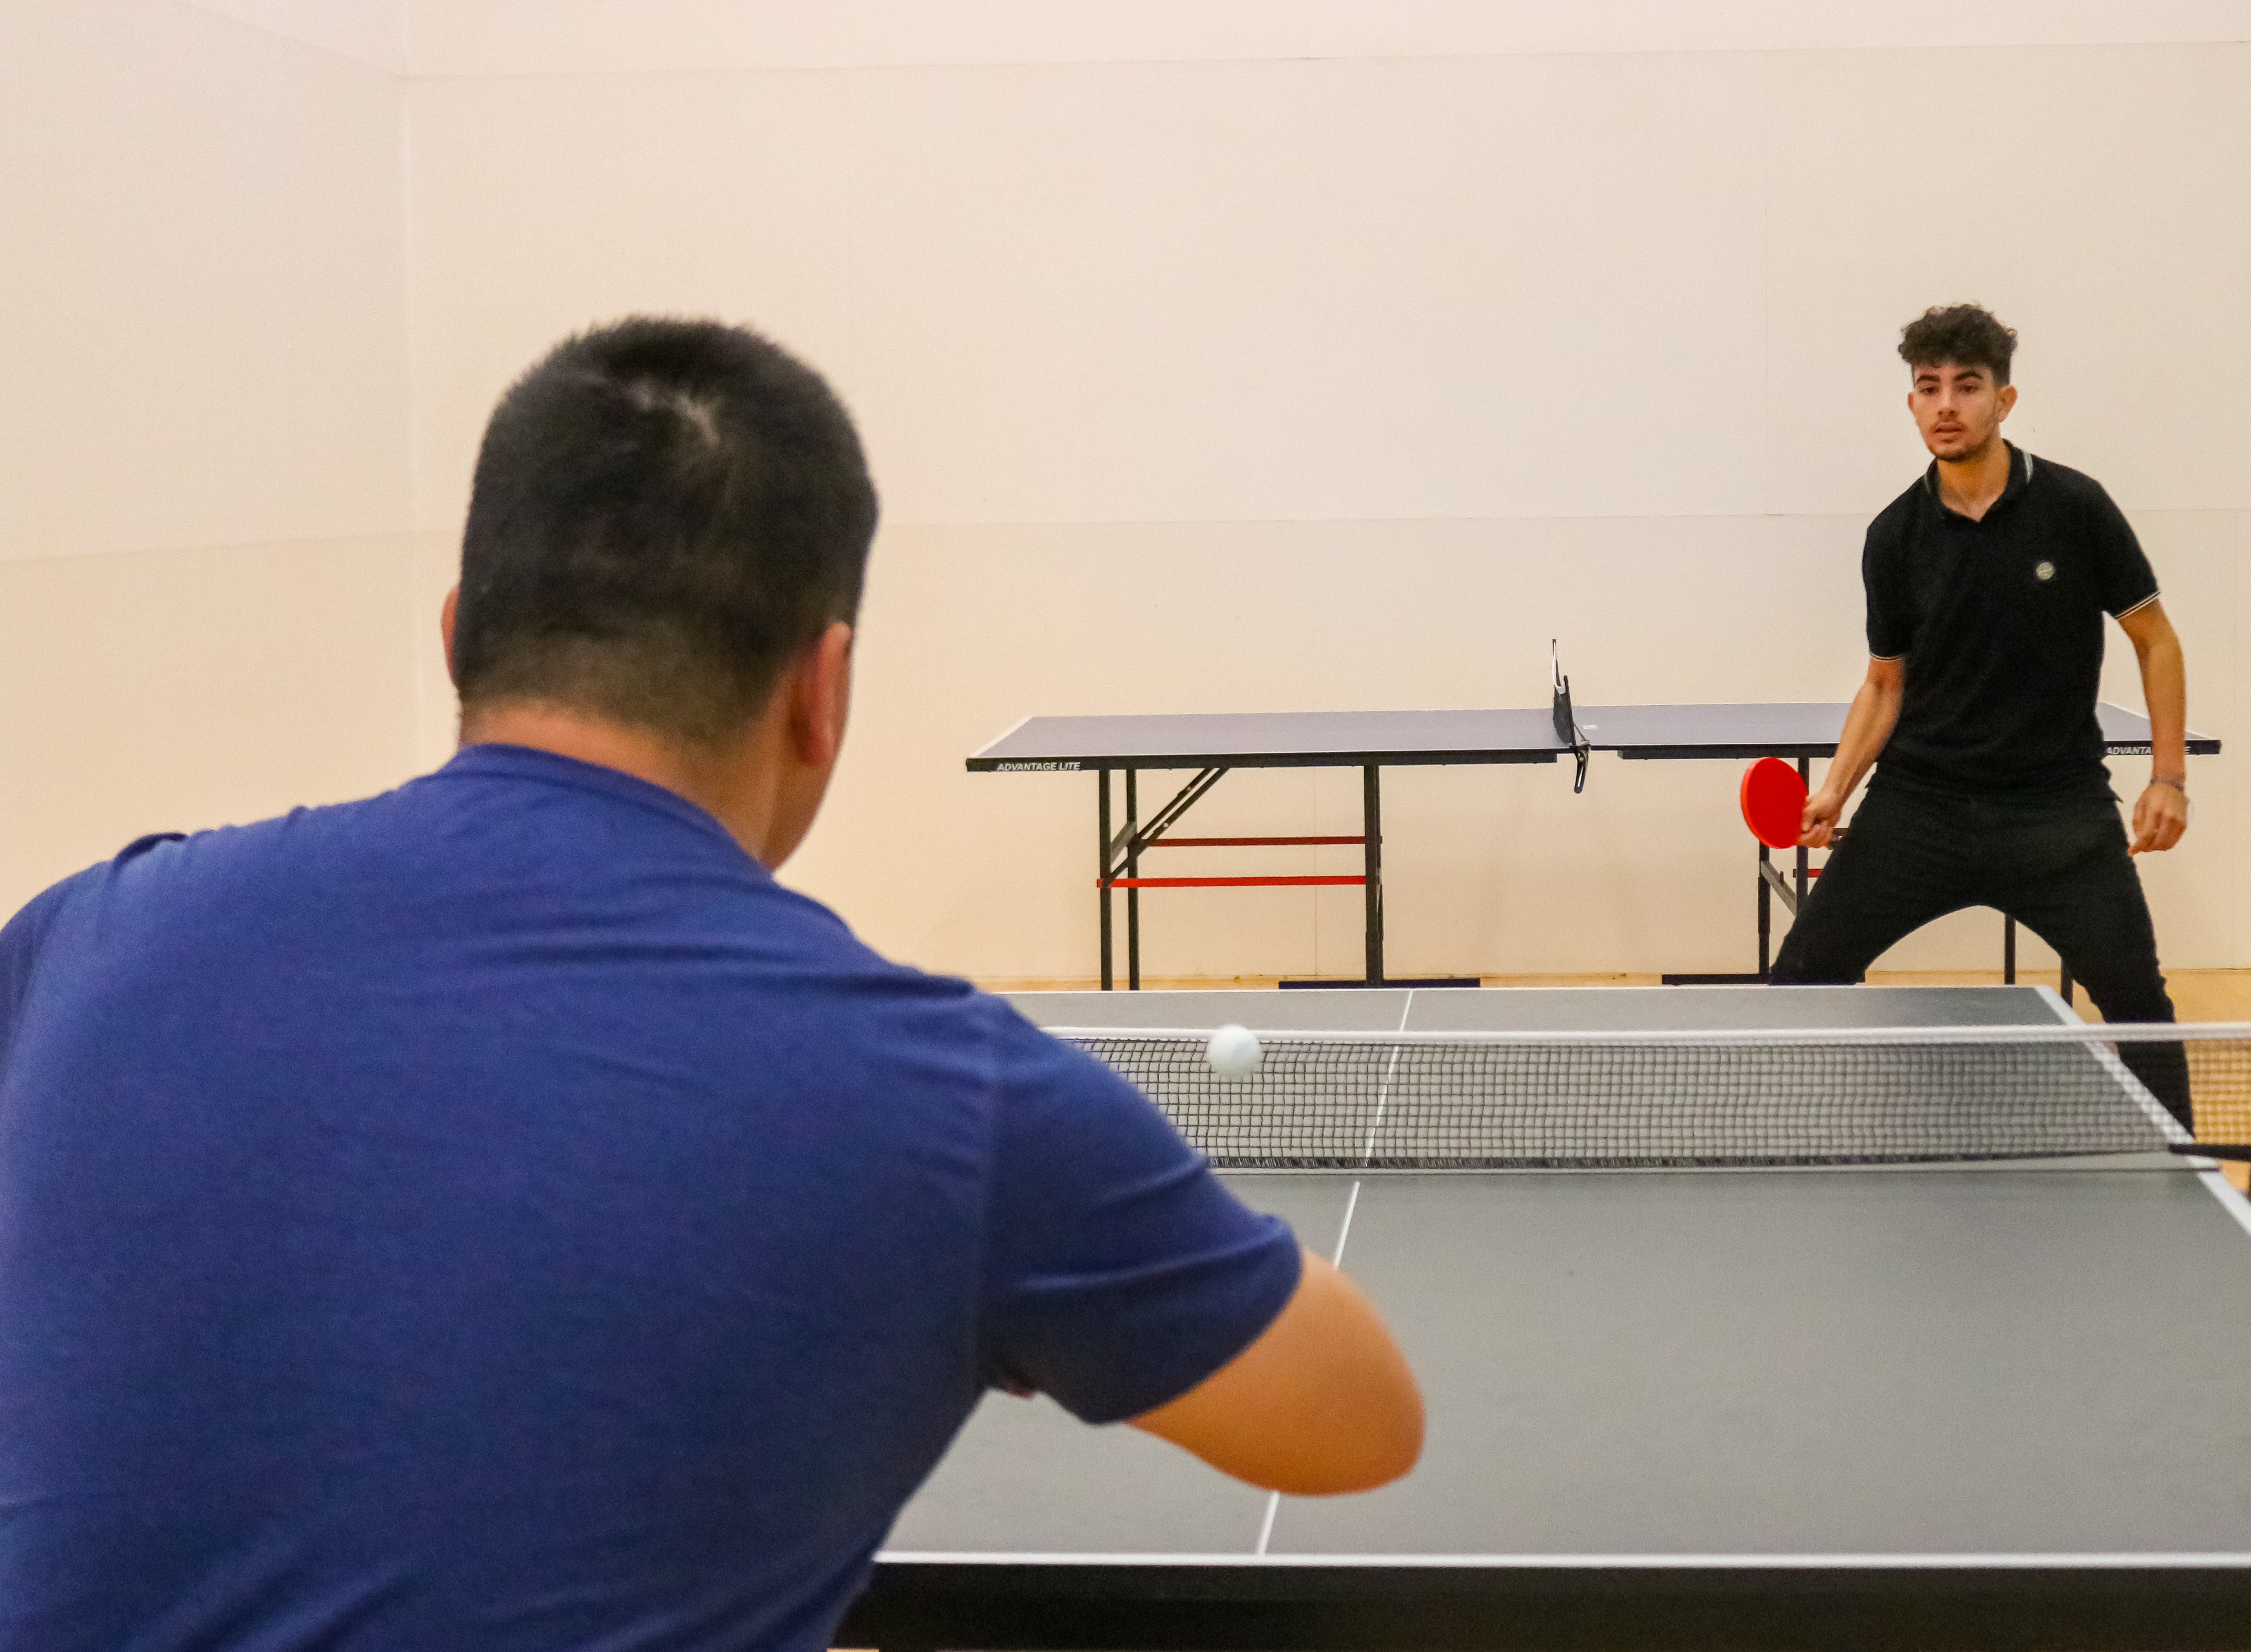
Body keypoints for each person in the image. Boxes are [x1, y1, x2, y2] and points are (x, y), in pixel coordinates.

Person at [0, 319, 1422, 1652]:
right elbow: (1359, 1424)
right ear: (825, 686)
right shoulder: (950, 1103)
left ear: (455, 634)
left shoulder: (85, 937)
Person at [1768, 303, 2193, 1123]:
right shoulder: (1894, 535)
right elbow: (1884, 684)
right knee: (1797, 980)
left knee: (2139, 1000)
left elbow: (2157, 640)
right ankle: (1767, 1149)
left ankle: (2188, 1175)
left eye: (1967, 386)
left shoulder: (2076, 508)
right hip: (1920, 811)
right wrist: (1836, 789)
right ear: (1911, 404)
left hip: (2058, 815)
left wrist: (2168, 777)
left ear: (2005, 400)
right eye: (1929, 388)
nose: (1946, 405)